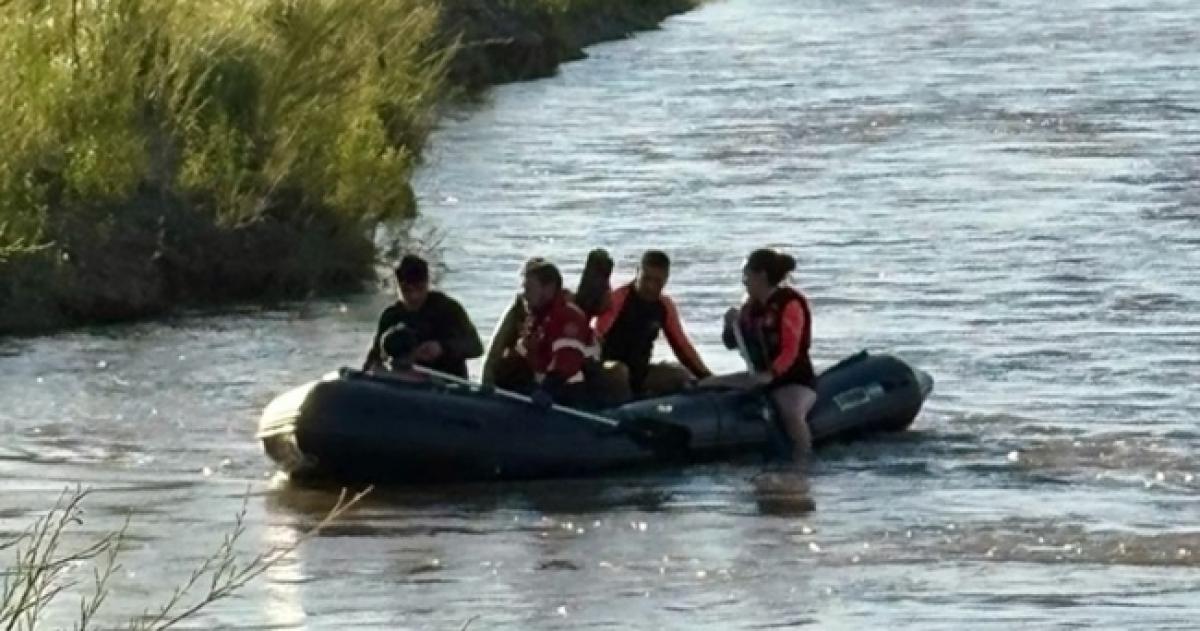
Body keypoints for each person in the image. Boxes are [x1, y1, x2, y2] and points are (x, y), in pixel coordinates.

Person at [703, 248, 817, 468]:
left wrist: (771, 375)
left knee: (791, 413)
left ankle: (803, 461)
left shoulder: (790, 303)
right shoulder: (749, 308)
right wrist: (729, 325)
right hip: (758, 376)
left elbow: (790, 350)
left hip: (793, 379)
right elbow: (732, 344)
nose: (743, 281)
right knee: (708, 384)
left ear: (761, 275)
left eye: (746, 275)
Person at [595, 250, 712, 396]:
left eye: (657, 281)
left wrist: (708, 377)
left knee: (679, 374)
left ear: (666, 279)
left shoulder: (665, 306)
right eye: (646, 279)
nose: (650, 286)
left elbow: (682, 347)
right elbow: (596, 339)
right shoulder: (618, 299)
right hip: (609, 369)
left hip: (640, 372)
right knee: (620, 371)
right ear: (637, 273)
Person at [362, 254, 483, 379]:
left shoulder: (448, 309)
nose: (414, 296)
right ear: (397, 286)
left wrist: (442, 348)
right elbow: (374, 358)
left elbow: (476, 347)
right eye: (406, 290)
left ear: (427, 283)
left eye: (419, 288)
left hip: (446, 384)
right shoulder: (391, 316)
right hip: (405, 383)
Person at [516, 259, 595, 408]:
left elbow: (566, 360)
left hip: (570, 395)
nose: (524, 296)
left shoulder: (568, 316)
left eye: (529, 289)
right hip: (538, 389)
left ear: (549, 288)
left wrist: (546, 391)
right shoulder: (536, 318)